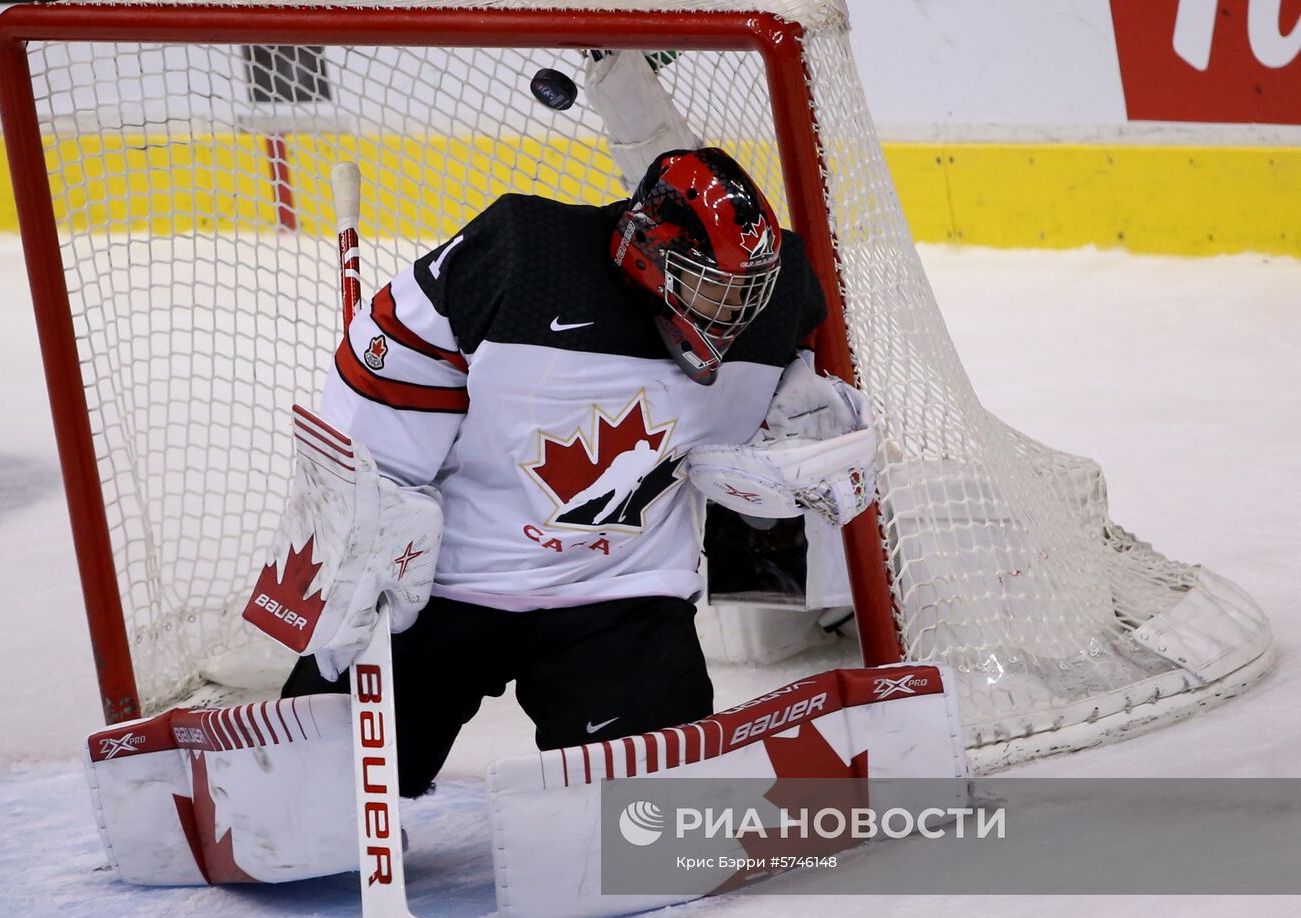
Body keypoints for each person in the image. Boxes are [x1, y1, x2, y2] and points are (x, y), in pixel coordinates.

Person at [250, 146, 875, 798]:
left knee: (650, 820)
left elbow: (781, 415)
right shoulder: (524, 257)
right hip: (441, 584)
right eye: (712, 286)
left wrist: (803, 429)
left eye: (747, 290)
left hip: (619, 591)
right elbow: (382, 360)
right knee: (304, 800)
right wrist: (368, 514)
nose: (735, 312)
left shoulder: (779, 298)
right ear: (649, 255)